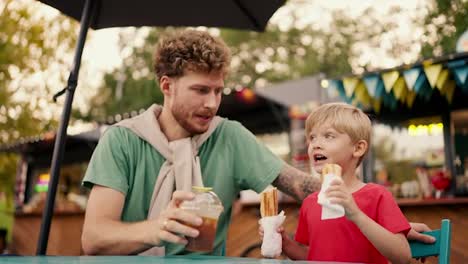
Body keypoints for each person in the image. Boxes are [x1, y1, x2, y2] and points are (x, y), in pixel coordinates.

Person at [81, 29, 434, 256]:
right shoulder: (122, 141)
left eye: (218, 90)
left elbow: (301, 185)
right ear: (167, 85)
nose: (212, 103)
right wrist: (158, 229)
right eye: (200, 90)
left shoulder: (228, 135)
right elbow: (94, 237)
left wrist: (380, 216)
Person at [276, 103, 411, 263]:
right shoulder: (310, 203)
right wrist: (285, 244)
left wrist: (356, 215)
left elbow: (403, 256)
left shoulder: (377, 195)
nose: (315, 144)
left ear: (358, 148)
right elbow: (312, 257)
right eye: (312, 137)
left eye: (329, 136)